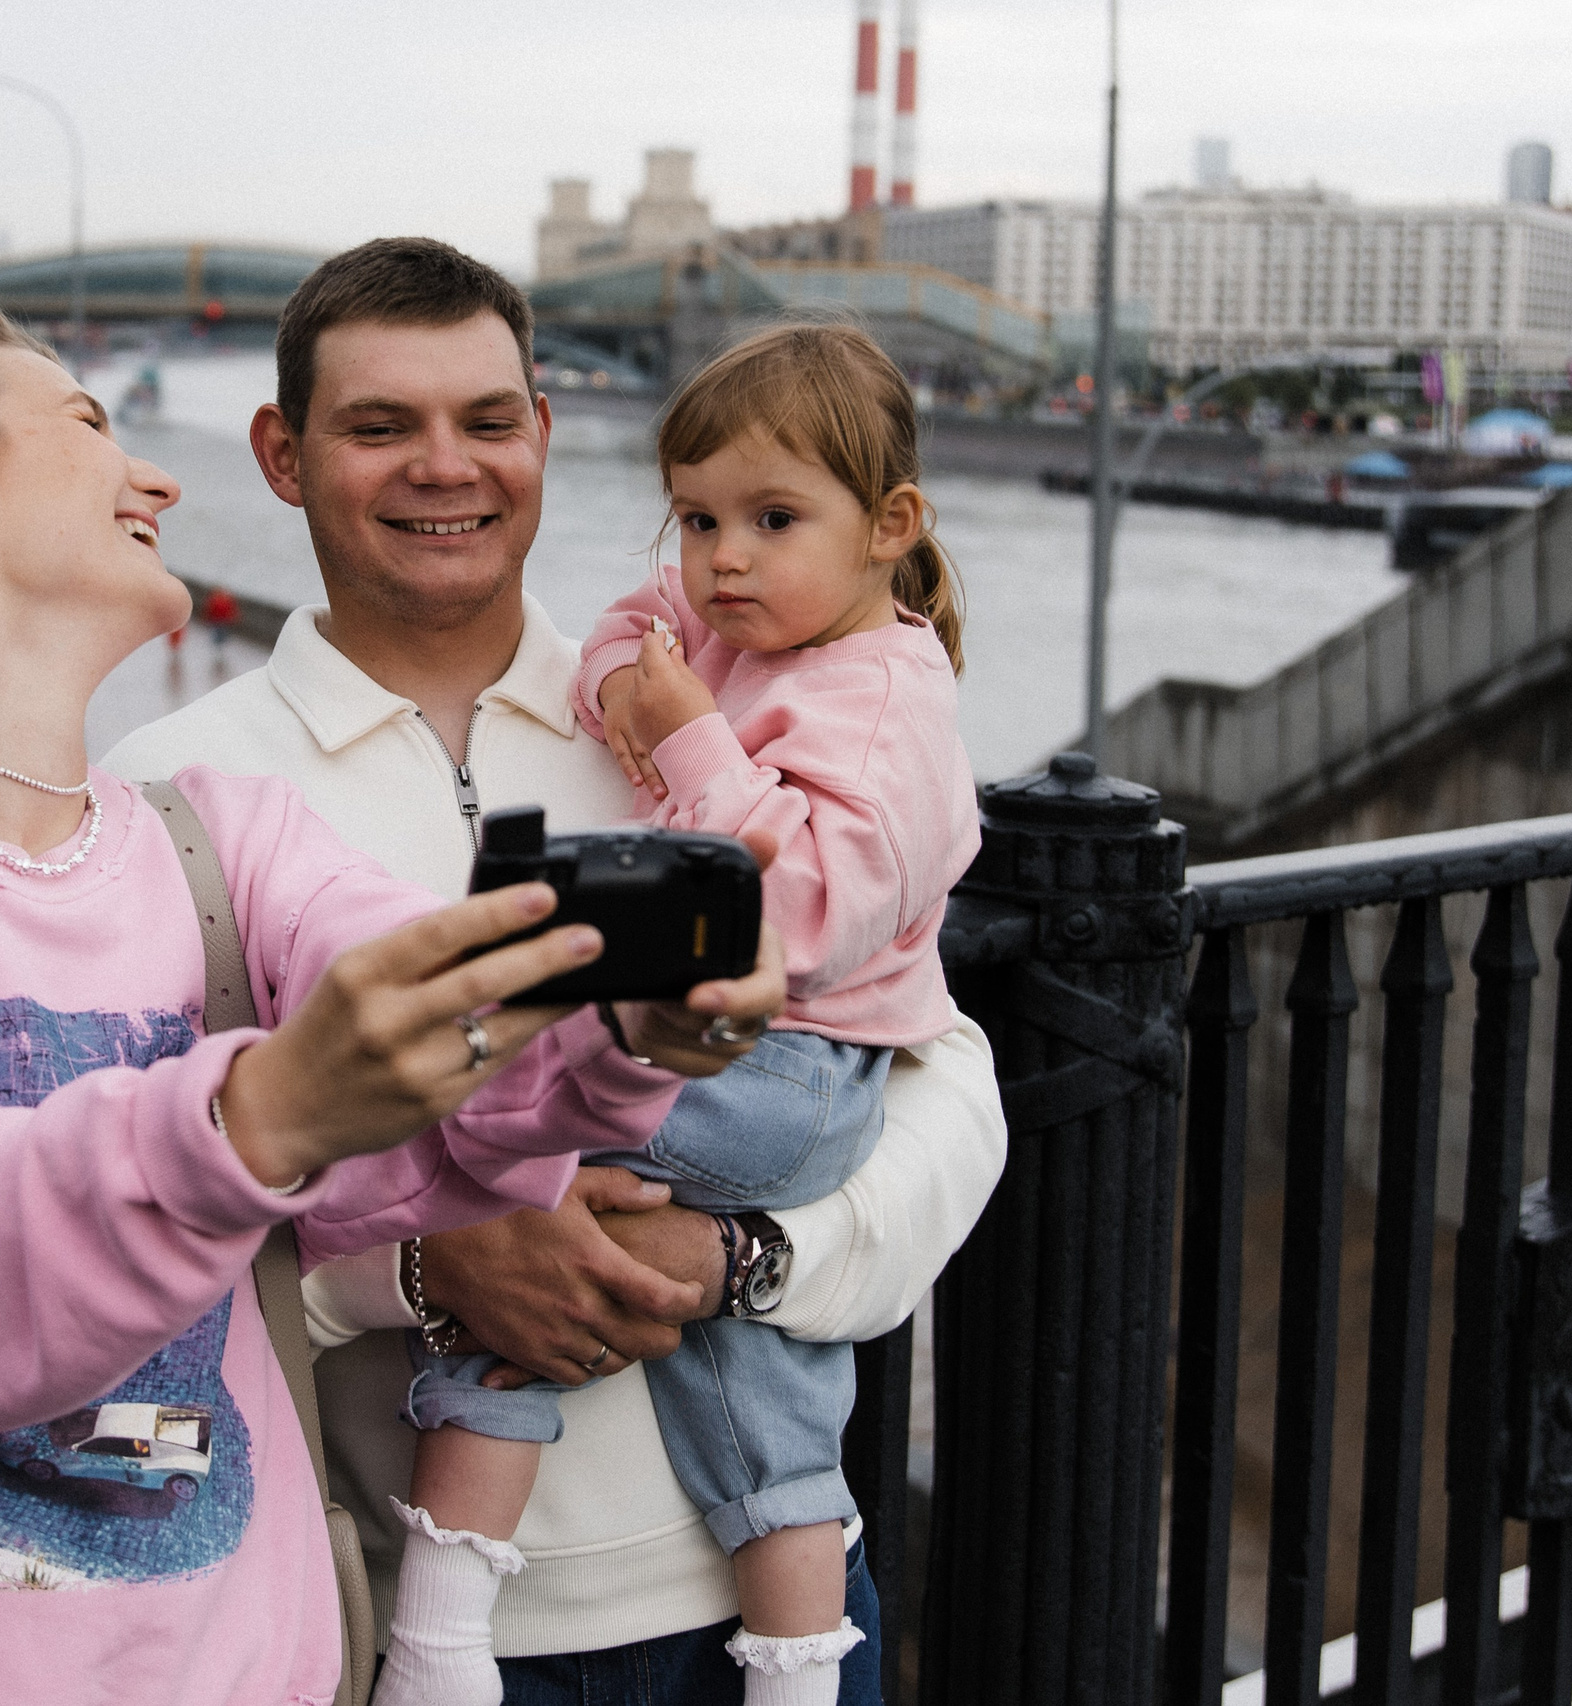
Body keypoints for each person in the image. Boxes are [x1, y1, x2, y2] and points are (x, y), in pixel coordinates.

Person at [0, 297, 789, 1706]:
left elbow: (444, 1056)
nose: (154, 476)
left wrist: (614, 1029)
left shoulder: (223, 839)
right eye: (91, 423)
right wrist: (260, 1111)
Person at [103, 239, 1008, 1705]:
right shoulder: (168, 795)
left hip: (768, 1613)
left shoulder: (695, 718)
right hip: (409, 1628)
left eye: (488, 419)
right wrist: (417, 1262)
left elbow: (944, 1093)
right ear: (281, 454)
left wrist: (750, 1261)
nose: (443, 467)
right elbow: (118, 1242)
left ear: (545, 430)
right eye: (379, 425)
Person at [387, 321, 980, 1706]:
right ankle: (795, 1677)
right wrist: (627, 687)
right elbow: (632, 622)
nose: (722, 558)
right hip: (762, 1063)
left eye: (772, 520)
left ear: (889, 525)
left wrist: (691, 737)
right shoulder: (735, 620)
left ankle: (439, 1624)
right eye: (701, 515)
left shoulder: (886, 692)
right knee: (768, 1412)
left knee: (501, 1166)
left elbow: (802, 914)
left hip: (794, 1061)